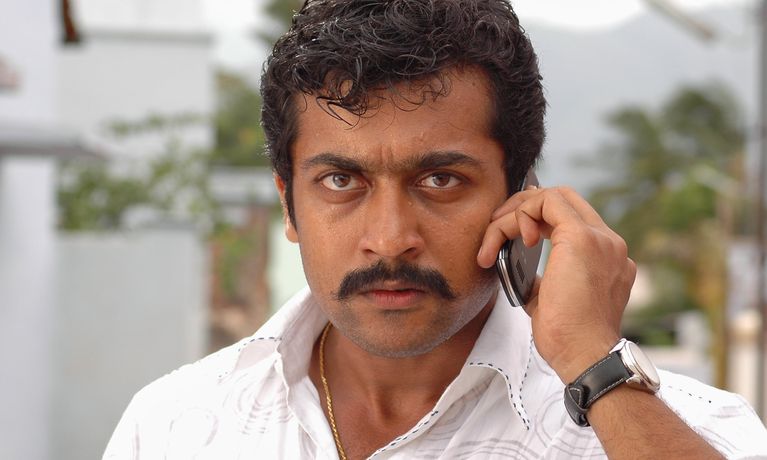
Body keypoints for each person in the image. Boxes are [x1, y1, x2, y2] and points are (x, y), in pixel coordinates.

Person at [104, 0, 767, 458]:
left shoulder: (691, 430)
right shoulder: (174, 427)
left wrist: (597, 369)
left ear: (521, 200)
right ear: (288, 206)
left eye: (440, 180)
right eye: (341, 181)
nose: (390, 238)